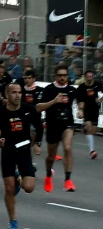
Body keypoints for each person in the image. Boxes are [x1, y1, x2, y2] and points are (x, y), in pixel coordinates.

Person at [0, 82, 42, 229]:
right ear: (7, 95)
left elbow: (38, 127)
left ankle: (19, 178)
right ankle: (12, 220)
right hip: (8, 152)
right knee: (9, 188)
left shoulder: (28, 110)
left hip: (24, 151)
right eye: (14, 93)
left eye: (19, 92)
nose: (18, 95)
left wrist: (37, 142)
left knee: (29, 188)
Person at [38, 63, 78, 192]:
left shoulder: (71, 90)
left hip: (67, 124)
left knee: (67, 148)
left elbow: (80, 101)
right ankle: (48, 175)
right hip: (52, 125)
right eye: (60, 75)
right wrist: (54, 101)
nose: (62, 78)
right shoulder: (49, 89)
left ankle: (68, 180)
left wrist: (81, 109)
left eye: (64, 75)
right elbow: (39, 107)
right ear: (55, 76)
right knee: (51, 156)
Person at [74, 68, 100, 160]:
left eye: (91, 76)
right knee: (89, 127)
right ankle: (92, 151)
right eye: (88, 77)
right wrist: (80, 110)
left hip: (95, 109)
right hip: (86, 109)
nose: (90, 78)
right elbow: (78, 99)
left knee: (94, 130)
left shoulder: (97, 84)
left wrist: (100, 99)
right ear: (85, 77)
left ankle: (86, 129)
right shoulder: (81, 87)